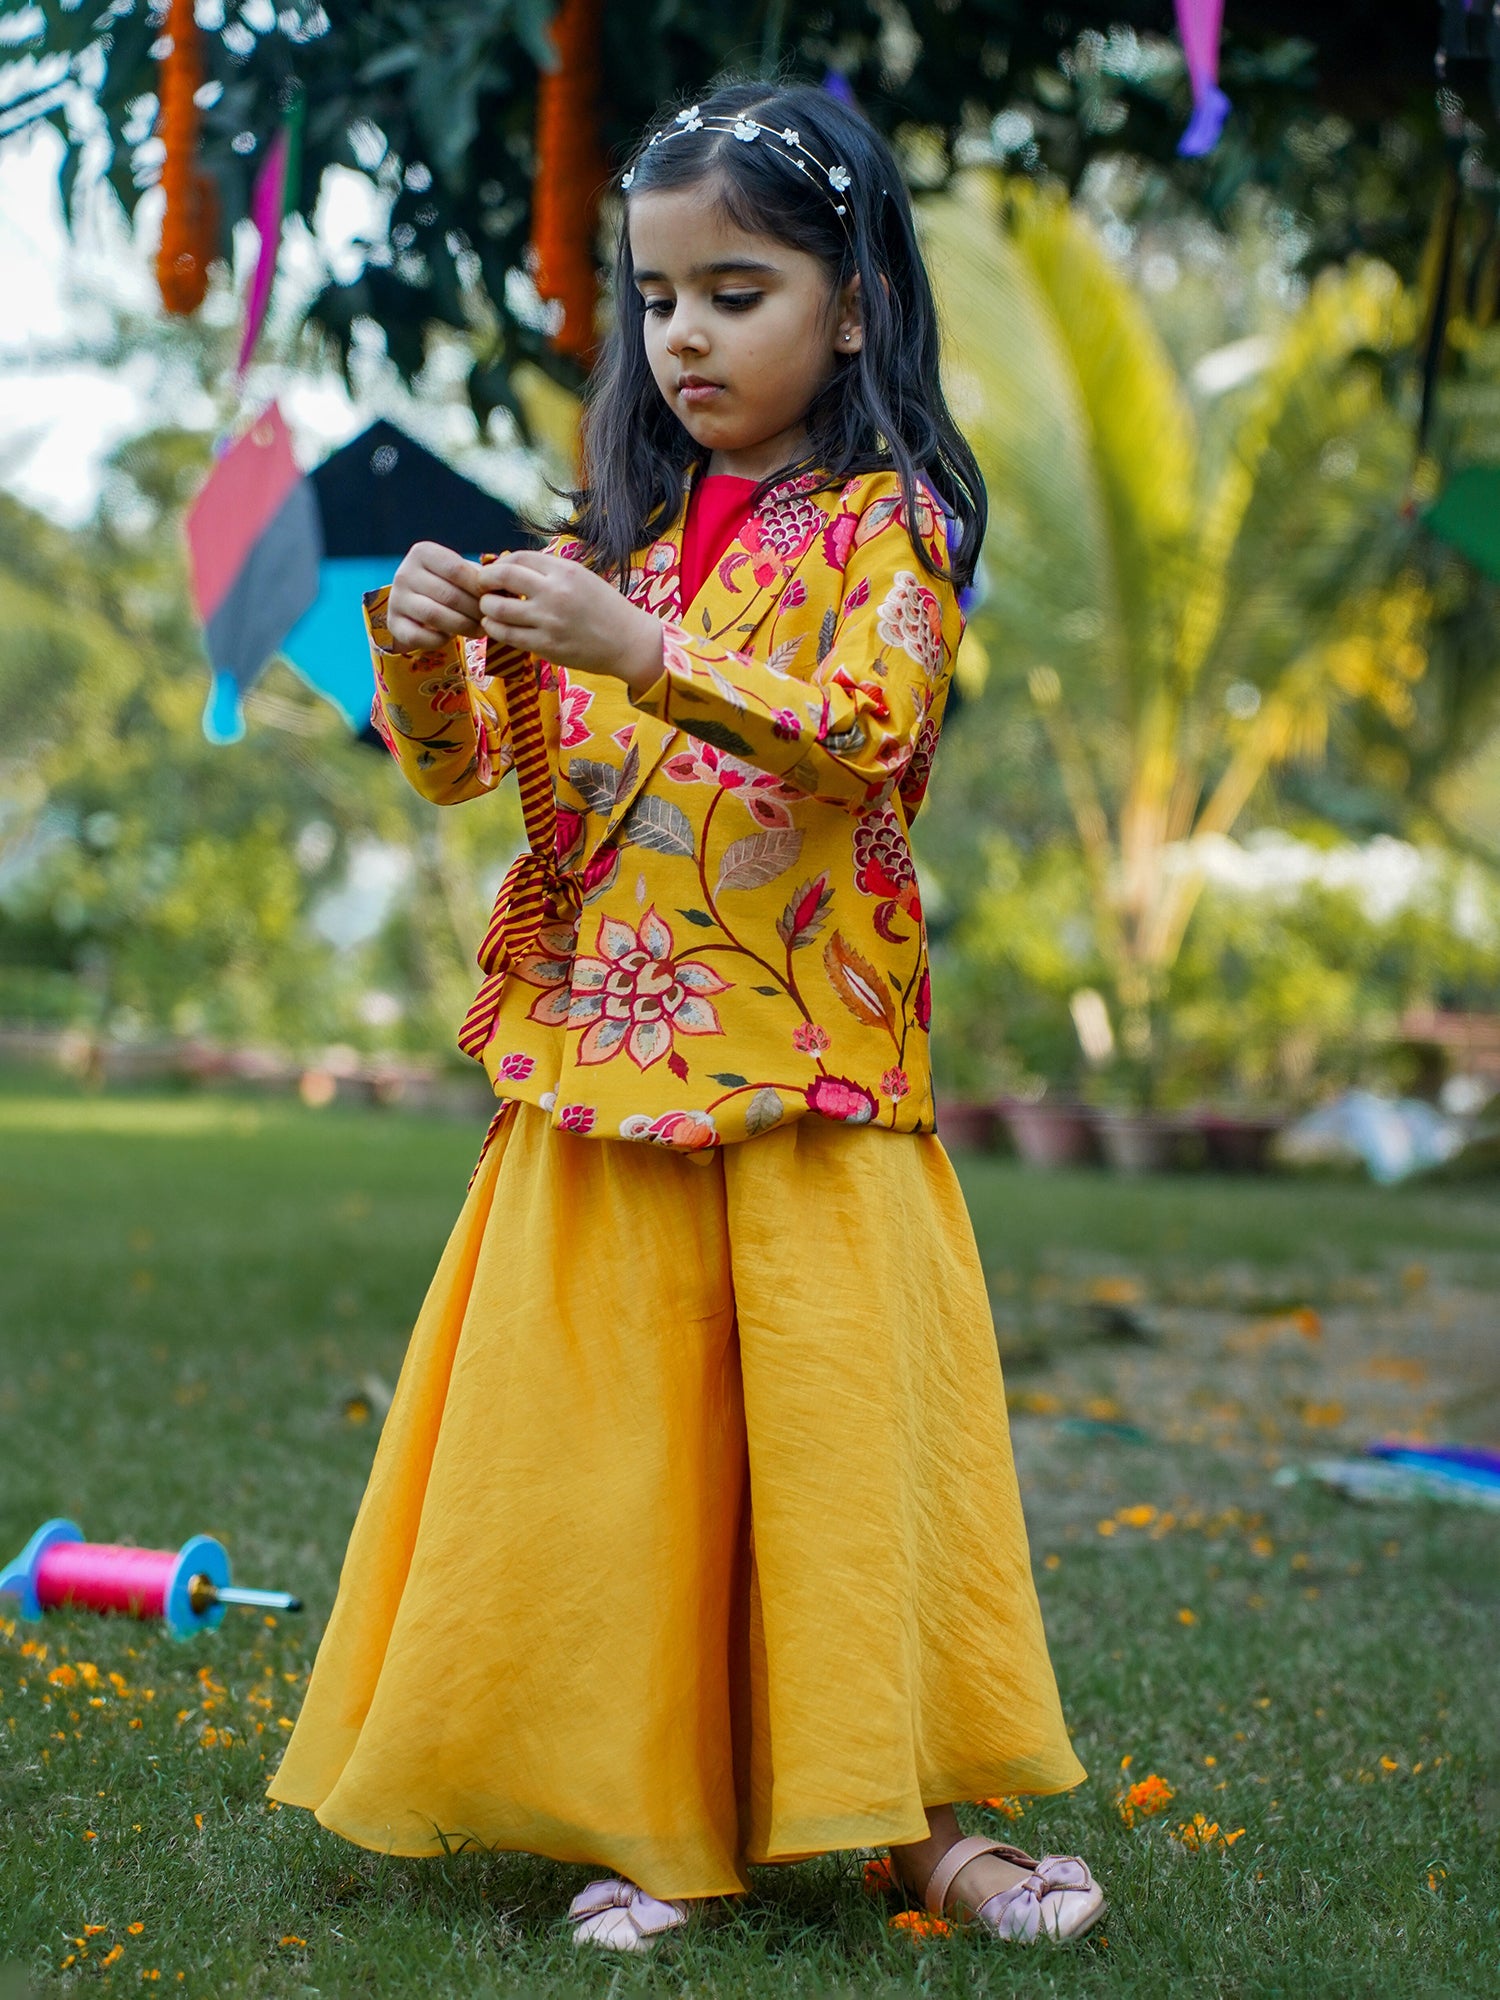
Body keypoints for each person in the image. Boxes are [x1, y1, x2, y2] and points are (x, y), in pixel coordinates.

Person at [268, 77, 1104, 1953]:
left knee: (838, 1468)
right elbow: (471, 778)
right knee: (620, 1474)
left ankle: (923, 1828)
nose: (686, 336)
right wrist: (418, 660)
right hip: (601, 1078)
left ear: (857, 307)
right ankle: (649, 1821)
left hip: (804, 1085)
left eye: (737, 290)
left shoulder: (890, 527)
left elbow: (868, 734)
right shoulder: (624, 539)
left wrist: (641, 649)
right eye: (657, 300)